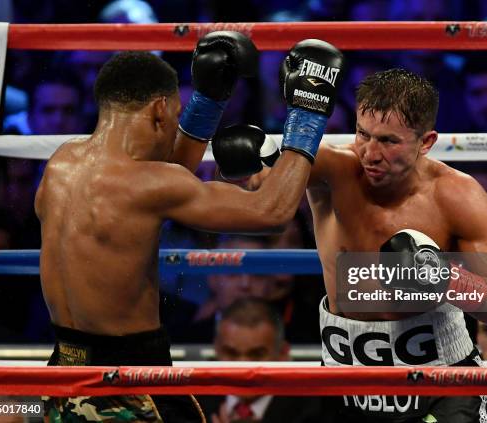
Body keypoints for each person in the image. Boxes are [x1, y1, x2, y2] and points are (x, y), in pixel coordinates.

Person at [35, 31, 345, 422]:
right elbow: (273, 211)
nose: (178, 124)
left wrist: (209, 100)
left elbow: (161, 183)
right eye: (179, 114)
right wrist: (309, 111)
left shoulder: (61, 165)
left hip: (62, 375)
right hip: (128, 387)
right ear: (160, 110)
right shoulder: (148, 184)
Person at [237, 68, 487, 422]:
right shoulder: (333, 169)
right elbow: (261, 186)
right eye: (363, 134)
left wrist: (444, 280)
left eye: (389, 141)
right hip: (345, 381)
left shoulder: (456, 195)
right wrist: (267, 148)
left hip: (438, 382)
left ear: (426, 142)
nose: (370, 153)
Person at [199, 297, 321, 423]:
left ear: (282, 353)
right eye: (232, 353)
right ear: (216, 350)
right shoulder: (194, 402)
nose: (243, 368)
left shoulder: (312, 409)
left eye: (256, 354)